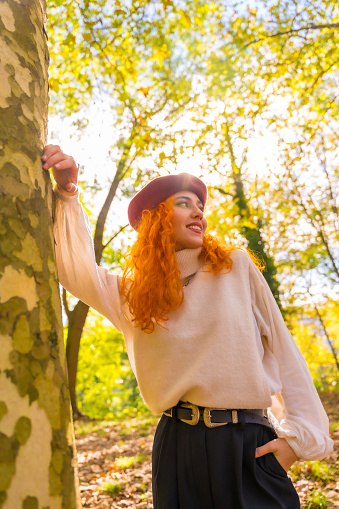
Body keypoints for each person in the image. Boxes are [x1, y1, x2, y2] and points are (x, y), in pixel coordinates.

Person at [42, 144, 333, 509]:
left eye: (200, 206)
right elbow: (74, 268)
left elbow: (284, 351)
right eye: (184, 202)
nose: (198, 212)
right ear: (157, 218)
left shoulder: (236, 267)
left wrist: (300, 440)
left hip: (248, 445)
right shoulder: (133, 295)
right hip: (177, 448)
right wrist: (67, 194)